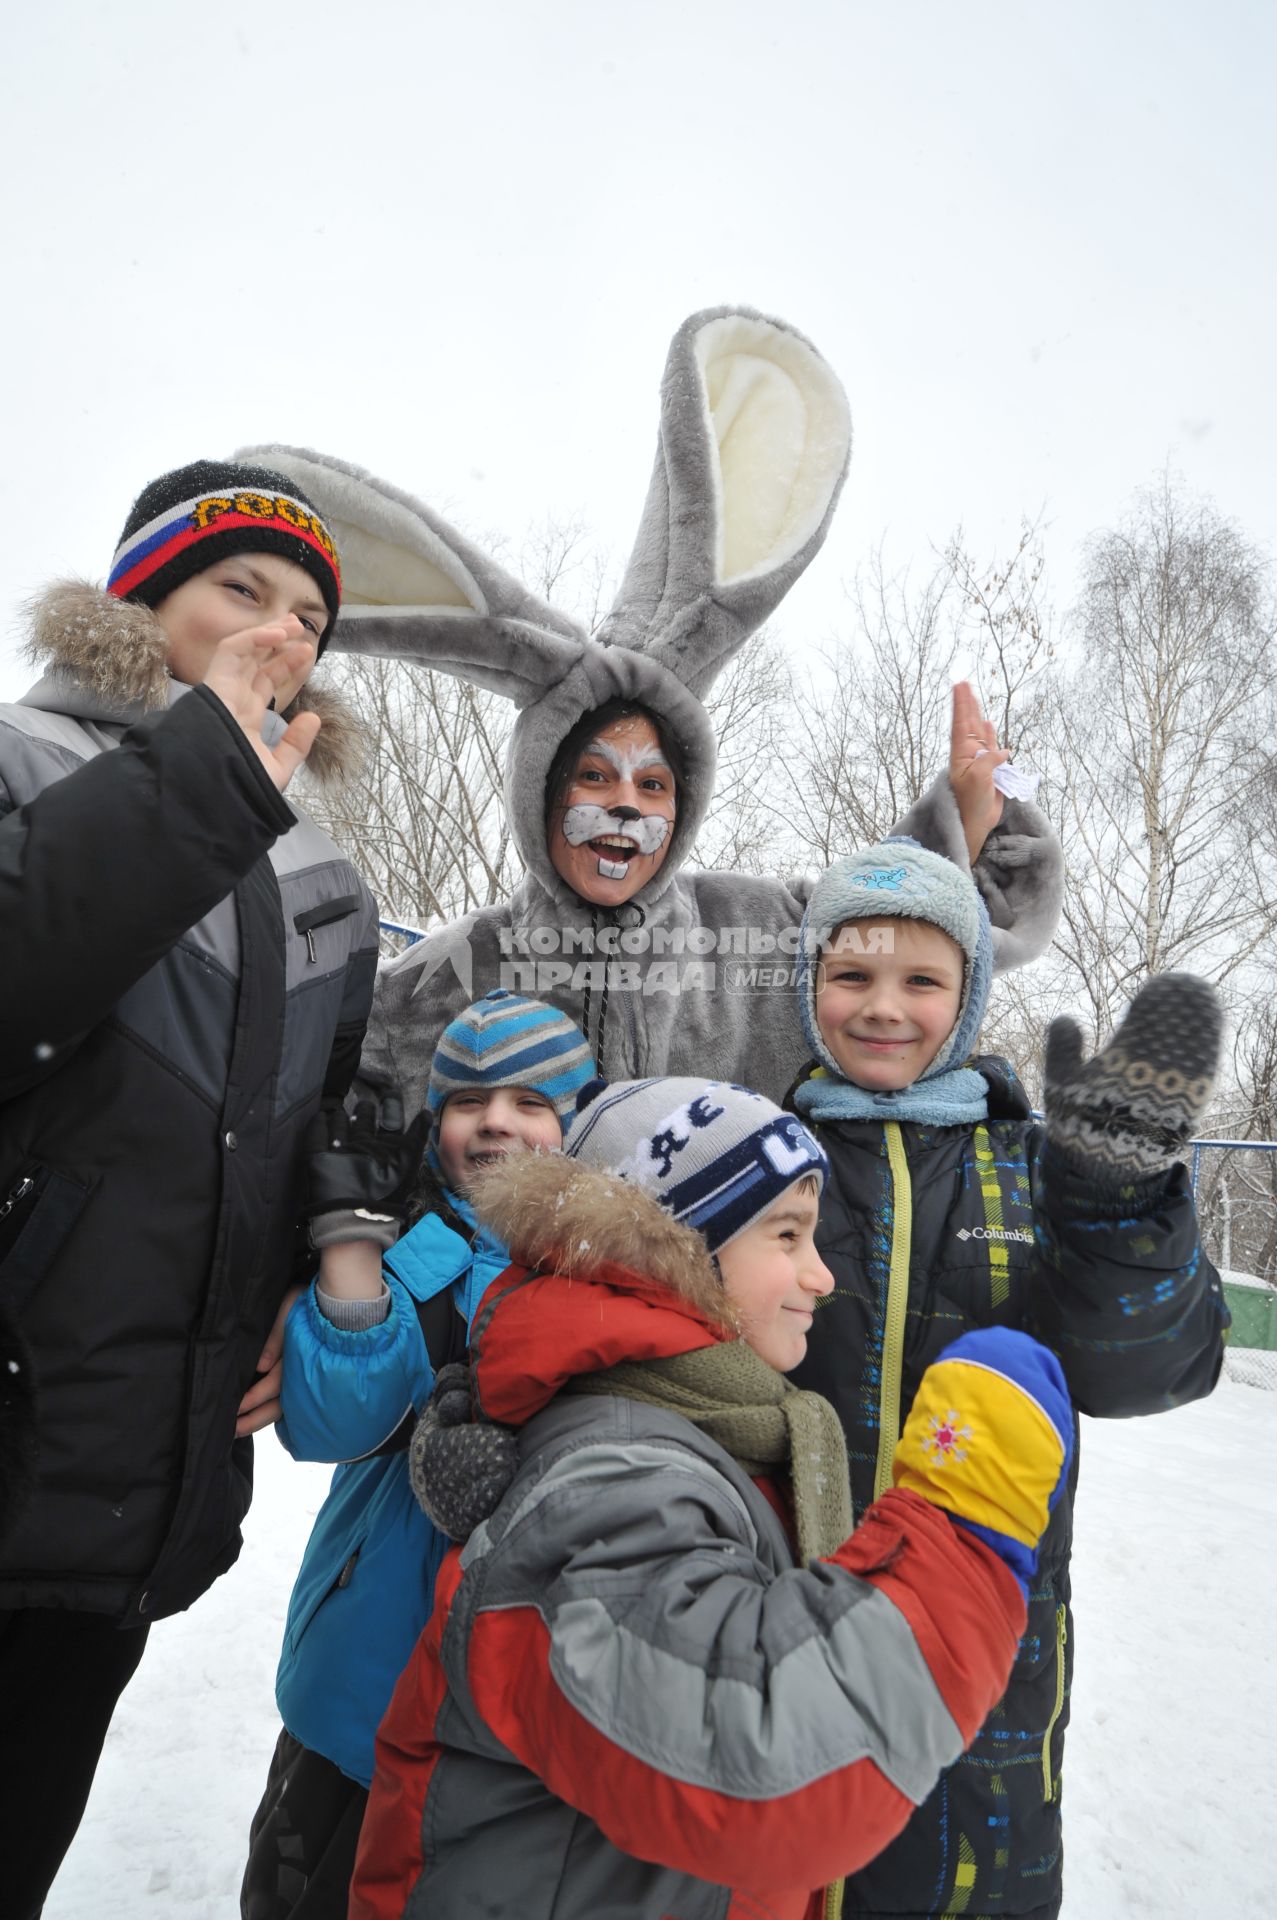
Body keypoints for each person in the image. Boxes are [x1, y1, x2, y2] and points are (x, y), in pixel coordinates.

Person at [241, 307, 1063, 1108]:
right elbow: (308, 1091)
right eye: (593, 776)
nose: (624, 805)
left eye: (654, 785)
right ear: (542, 793)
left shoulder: (764, 935)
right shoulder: (456, 968)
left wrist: (960, 825)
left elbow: (905, 931)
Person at [350, 1077, 1076, 1920]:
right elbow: (766, 1766)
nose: (821, 1275)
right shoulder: (619, 1475)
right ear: (676, 1249)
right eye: (788, 1235)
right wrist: (963, 1522)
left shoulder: (691, 1424)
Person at [0, 460, 379, 1918]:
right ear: (140, 598)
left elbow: (323, 1121)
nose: (282, 633)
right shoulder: (23, 757)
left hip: (128, 1493)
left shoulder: (322, 874)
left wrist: (314, 1269)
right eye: (240, 591)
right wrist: (207, 770)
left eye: (309, 616)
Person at [784, 838, 1228, 1920]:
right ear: (808, 991)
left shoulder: (1032, 1167)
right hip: (777, 1616)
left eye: (920, 980)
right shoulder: (758, 1150)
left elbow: (1147, 1371)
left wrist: (1118, 1201)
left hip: (983, 1645)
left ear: (970, 992)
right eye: (851, 975)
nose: (883, 1007)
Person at [241, 989, 594, 1920]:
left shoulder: (609, 1270)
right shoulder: (417, 1252)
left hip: (537, 1694)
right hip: (371, 1666)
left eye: (531, 1104)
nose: (496, 1125)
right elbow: (335, 1423)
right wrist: (351, 1253)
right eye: (470, 1103)